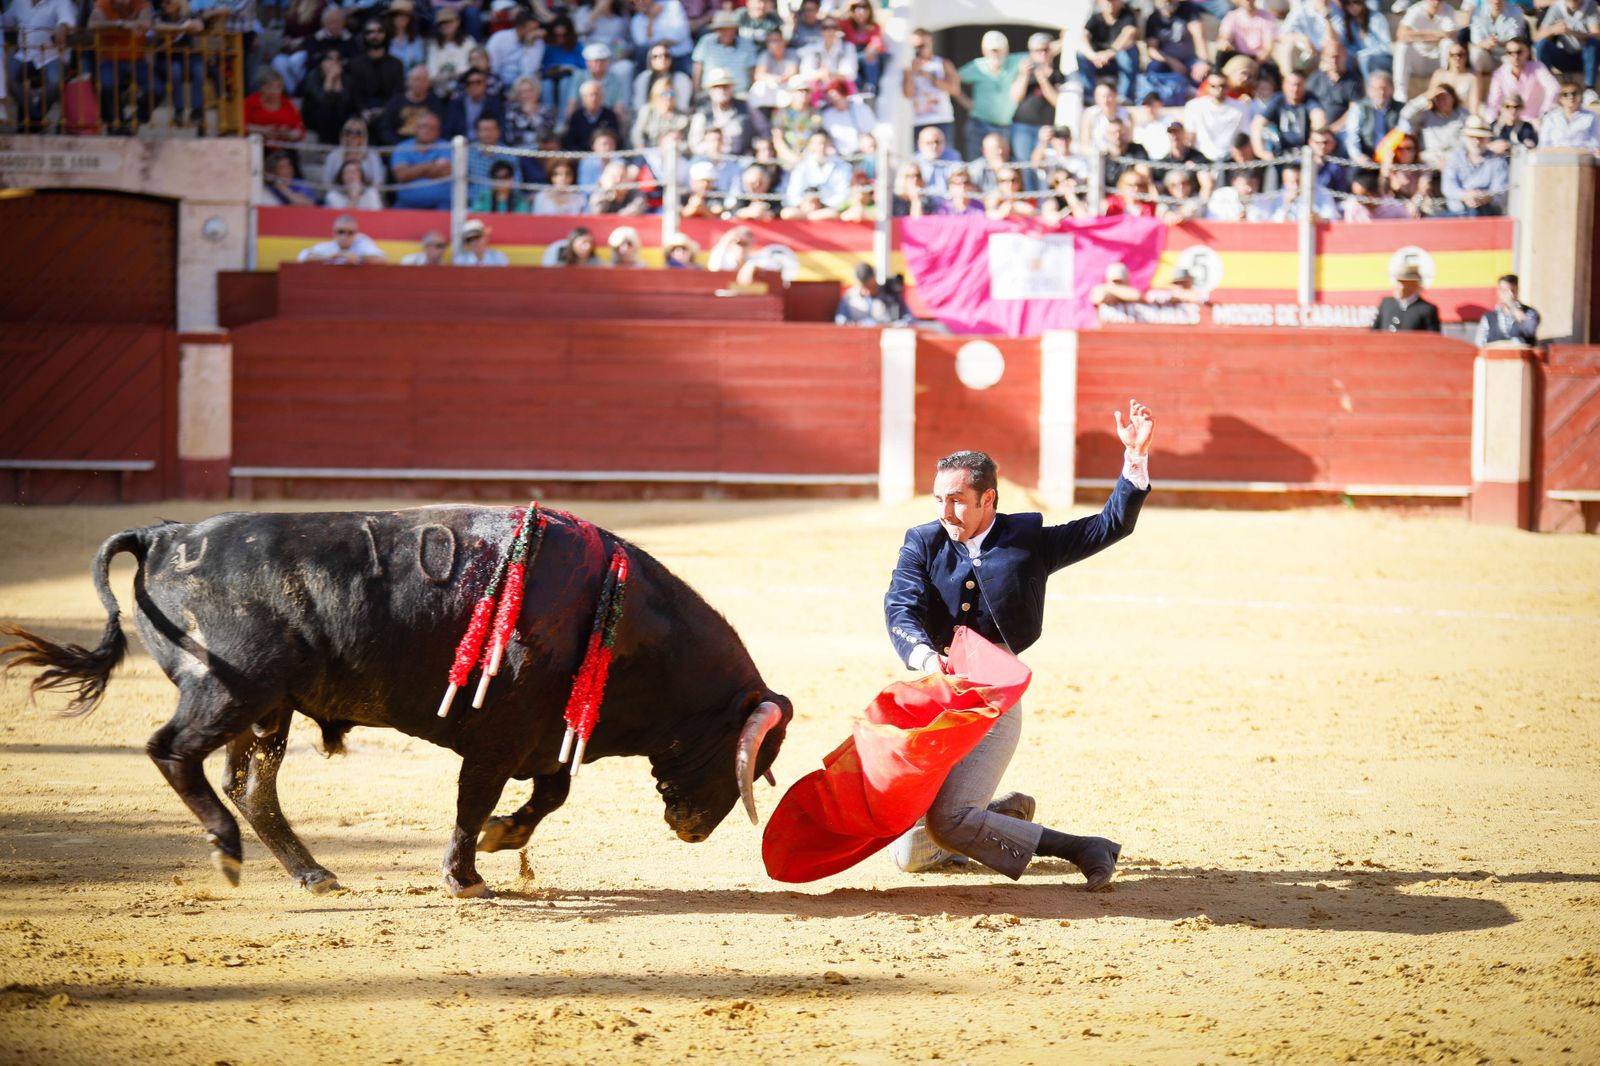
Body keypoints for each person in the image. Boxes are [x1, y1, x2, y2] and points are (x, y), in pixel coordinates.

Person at [882, 415, 1154, 890]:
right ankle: (1002, 814)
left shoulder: (1027, 543)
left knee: (947, 824)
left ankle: (1083, 847)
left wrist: (1134, 459)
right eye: (939, 499)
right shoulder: (922, 542)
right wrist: (927, 658)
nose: (945, 511)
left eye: (957, 500)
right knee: (910, 854)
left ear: (988, 499)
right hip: (936, 696)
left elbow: (1110, 525)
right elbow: (900, 607)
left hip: (993, 699)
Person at [959, 30, 1024, 159]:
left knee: (1003, 167)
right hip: (979, 125)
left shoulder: (1016, 61)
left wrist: (1065, 39)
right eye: (992, 50)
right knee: (977, 166)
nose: (996, 54)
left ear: (1007, 50)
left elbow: (1041, 51)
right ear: (984, 51)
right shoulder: (977, 66)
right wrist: (964, 101)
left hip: (1005, 127)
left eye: (999, 50)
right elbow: (953, 79)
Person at [1393, 0, 1460, 103]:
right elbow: (1401, 35)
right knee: (1402, 46)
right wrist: (1435, 34)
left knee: (1447, 43)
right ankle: (1400, 92)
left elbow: (1450, 35)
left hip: (1437, 59)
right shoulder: (1415, 9)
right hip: (1418, 59)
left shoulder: (1449, 10)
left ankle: (1445, 86)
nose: (1436, 2)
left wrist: (1416, 35)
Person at [1442, 116, 1509, 213]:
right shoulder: (1455, 157)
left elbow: (1500, 189)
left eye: (1481, 138)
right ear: (1465, 138)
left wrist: (1484, 196)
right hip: (1458, 213)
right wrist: (1465, 195)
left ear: (1487, 139)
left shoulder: (1497, 161)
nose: (1477, 141)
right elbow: (1448, 187)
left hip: (1487, 212)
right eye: (1472, 137)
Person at [1077, 0, 1141, 101]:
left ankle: (1124, 98)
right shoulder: (1095, 18)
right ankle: (1089, 97)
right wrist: (1093, 56)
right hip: (1098, 62)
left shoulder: (1127, 16)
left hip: (1117, 62)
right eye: (1107, 1)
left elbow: (1129, 33)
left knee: (1128, 53)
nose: (1110, 3)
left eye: (1113, 1)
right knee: (1081, 54)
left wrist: (1110, 52)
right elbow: (1083, 37)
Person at [904, 26, 960, 142]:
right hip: (918, 121)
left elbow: (955, 90)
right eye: (915, 47)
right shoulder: (909, 67)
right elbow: (908, 94)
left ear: (931, 42)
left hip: (942, 120)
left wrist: (930, 77)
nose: (919, 50)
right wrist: (911, 74)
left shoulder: (943, 63)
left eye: (922, 45)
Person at [391, 111, 454, 209]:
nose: (427, 130)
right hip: (406, 204)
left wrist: (412, 170)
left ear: (439, 131)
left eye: (432, 128)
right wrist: (431, 165)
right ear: (415, 128)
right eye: (424, 126)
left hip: (440, 205)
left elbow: (444, 171)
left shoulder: (446, 147)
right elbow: (401, 175)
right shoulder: (402, 147)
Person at [1486, 37, 1563, 117]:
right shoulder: (1500, 73)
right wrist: (1492, 120)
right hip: (1512, 122)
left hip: (1536, 121)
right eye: (1510, 53)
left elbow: (1554, 88)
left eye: (1519, 52)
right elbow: (1493, 101)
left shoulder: (1537, 67)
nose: (1515, 56)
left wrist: (1544, 111)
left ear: (1528, 52)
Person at [1534, 0, 1600, 93]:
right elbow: (1537, 37)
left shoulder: (1590, 4)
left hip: (1587, 59)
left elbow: (1597, 35)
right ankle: (1546, 86)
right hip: (1564, 58)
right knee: (1542, 44)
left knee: (1593, 43)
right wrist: (1552, 29)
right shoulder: (1557, 6)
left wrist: (1572, 33)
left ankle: (1590, 89)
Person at [1373, 261, 1442, 331]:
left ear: (1414, 284)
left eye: (1403, 282)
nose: (1399, 286)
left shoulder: (1427, 309)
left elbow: (1432, 339)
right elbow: (1375, 332)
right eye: (1398, 282)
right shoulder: (1387, 303)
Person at [835, 263, 909, 325]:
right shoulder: (850, 297)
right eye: (863, 288)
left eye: (869, 287)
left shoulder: (890, 294)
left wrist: (897, 324)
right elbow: (840, 320)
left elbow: (907, 317)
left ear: (874, 278)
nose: (867, 292)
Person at [1477, 274, 1541, 344]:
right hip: (1496, 354)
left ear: (1517, 291)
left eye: (1512, 291)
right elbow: (1480, 343)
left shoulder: (1530, 313)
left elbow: (1529, 331)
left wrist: (1515, 309)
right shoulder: (1488, 317)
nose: (1510, 295)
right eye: (1505, 291)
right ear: (1499, 292)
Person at [298, 214, 387, 263]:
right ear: (334, 233)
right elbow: (303, 257)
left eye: (350, 232)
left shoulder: (362, 243)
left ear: (356, 233)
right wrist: (329, 256)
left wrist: (358, 258)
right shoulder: (327, 247)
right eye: (341, 232)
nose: (345, 236)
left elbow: (382, 259)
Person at [1540, 79, 1600, 147]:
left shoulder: (1592, 117)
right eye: (1565, 94)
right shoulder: (1550, 117)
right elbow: (1544, 143)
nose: (1571, 97)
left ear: (1581, 96)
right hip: (1555, 155)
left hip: (1582, 155)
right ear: (1560, 98)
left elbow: (1595, 143)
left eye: (1574, 93)